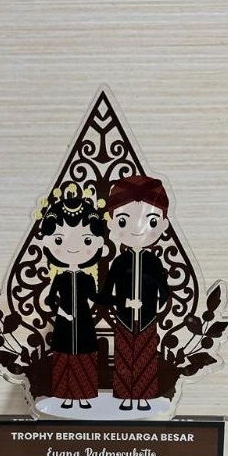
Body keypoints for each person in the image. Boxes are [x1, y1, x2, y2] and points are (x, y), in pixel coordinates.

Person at [100, 175, 170, 411]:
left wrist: (153, 305)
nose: (137, 229)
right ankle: (125, 397)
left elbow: (164, 291)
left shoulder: (154, 262)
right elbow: (106, 294)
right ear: (112, 223)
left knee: (146, 358)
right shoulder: (120, 262)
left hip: (148, 319)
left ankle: (144, 397)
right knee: (124, 357)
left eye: (150, 221)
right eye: (124, 221)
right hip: (124, 319)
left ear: (163, 224)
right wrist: (122, 302)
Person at [41, 182, 106, 409]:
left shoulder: (87, 278)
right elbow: (50, 299)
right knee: (64, 357)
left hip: (85, 322)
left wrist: (117, 300)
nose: (73, 247)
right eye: (60, 240)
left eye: (86, 240)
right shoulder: (60, 278)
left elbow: (96, 298)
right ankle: (66, 397)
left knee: (85, 356)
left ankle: (84, 395)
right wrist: (61, 312)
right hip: (64, 323)